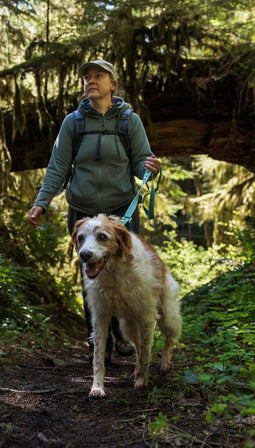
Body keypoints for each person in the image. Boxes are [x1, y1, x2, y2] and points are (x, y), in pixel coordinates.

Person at [28, 60, 162, 359]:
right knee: (90, 273)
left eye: (98, 76)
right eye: (87, 77)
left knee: (124, 273)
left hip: (120, 214)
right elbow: (59, 167)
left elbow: (142, 160)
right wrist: (41, 201)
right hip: (82, 213)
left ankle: (121, 334)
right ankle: (97, 340)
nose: (91, 81)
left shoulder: (130, 121)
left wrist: (151, 167)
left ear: (112, 84)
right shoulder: (73, 123)